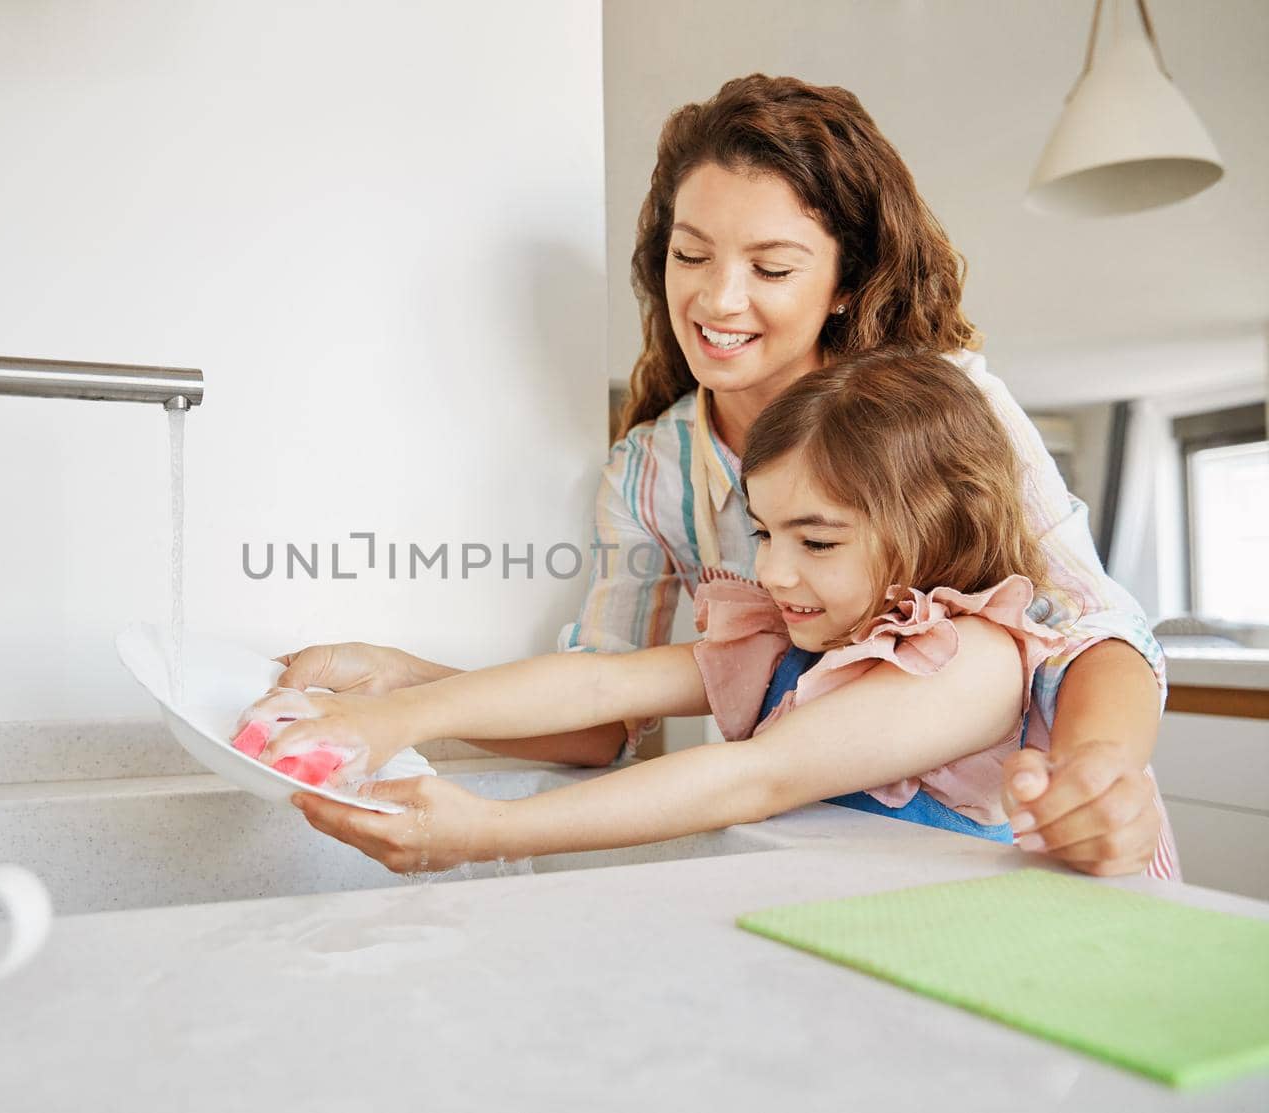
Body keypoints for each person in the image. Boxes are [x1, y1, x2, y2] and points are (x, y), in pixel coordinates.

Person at [275, 74, 1169, 877]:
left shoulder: (944, 427)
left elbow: (1089, 625)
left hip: (1049, 860)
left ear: (846, 280)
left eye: (771, 267)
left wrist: (1097, 773)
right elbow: (603, 695)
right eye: (690, 254)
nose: (716, 300)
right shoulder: (666, 487)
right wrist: (398, 688)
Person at [249, 349, 1176, 875]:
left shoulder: (974, 660)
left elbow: (752, 780)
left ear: (936, 531)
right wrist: (400, 712)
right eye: (765, 531)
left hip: (962, 956)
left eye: (816, 542)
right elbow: (602, 680)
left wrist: (479, 831)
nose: (772, 569)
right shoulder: (801, 633)